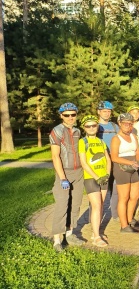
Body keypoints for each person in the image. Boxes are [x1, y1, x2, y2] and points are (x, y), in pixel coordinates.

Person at [49, 102, 85, 252]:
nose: (70, 117)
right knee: (62, 205)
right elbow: (55, 156)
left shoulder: (77, 131)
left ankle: (69, 234)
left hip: (78, 172)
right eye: (67, 115)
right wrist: (63, 178)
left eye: (73, 114)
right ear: (61, 115)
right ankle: (57, 240)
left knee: (75, 204)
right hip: (64, 173)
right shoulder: (56, 131)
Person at [79, 115, 111, 248]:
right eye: (88, 126)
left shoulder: (101, 141)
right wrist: (96, 176)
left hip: (104, 177)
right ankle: (97, 237)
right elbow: (84, 163)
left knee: (101, 205)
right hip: (91, 178)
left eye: (93, 125)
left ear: (97, 127)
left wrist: (107, 174)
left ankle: (95, 231)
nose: (91, 128)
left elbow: (107, 159)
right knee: (96, 205)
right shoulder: (83, 142)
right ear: (84, 128)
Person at [110, 113, 139, 232]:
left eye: (130, 124)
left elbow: (137, 151)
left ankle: (129, 219)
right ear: (119, 124)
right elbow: (114, 157)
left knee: (135, 195)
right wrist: (130, 163)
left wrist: (138, 161)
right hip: (121, 168)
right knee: (124, 197)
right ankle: (124, 225)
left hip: (133, 167)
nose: (128, 126)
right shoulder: (116, 139)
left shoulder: (133, 136)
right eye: (125, 124)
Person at [97, 100, 120, 221]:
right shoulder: (94, 126)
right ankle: (96, 216)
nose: (107, 113)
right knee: (99, 191)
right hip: (101, 162)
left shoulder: (115, 126)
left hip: (115, 160)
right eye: (104, 111)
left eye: (109, 111)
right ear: (98, 112)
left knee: (115, 189)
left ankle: (115, 214)